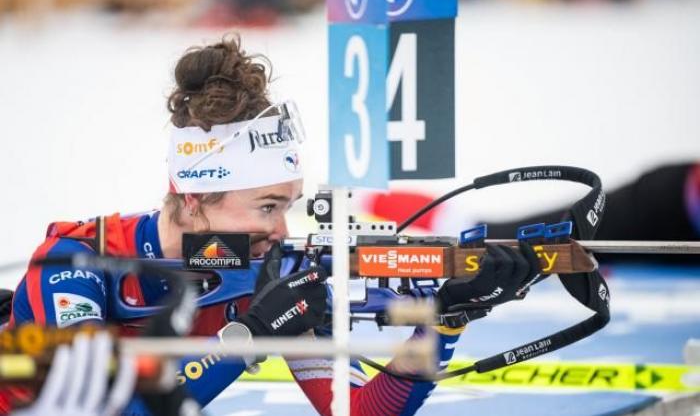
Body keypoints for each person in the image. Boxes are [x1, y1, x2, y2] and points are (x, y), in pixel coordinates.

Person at [3, 36, 540, 415]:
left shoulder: (264, 273)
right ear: (193, 199)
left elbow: (359, 411)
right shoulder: (77, 261)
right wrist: (249, 337)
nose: (283, 229)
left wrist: (442, 324)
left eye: (289, 205)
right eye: (266, 207)